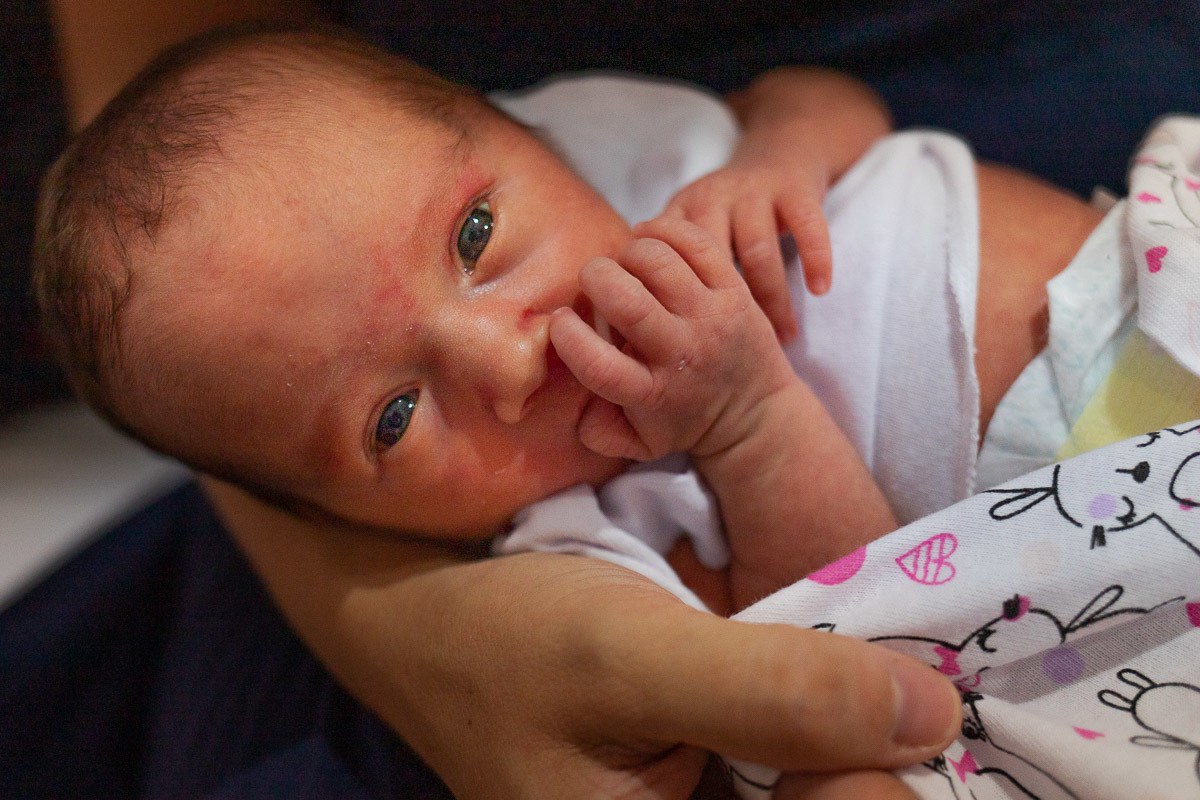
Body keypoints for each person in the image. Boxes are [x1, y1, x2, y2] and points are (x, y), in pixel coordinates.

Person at [37, 21, 965, 799]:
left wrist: (779, 158)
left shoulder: (640, 174)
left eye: (475, 238)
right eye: (393, 418)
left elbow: (813, 93)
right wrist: (749, 423)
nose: (509, 358)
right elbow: (845, 632)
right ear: (348, 522)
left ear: (533, 129)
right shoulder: (590, 548)